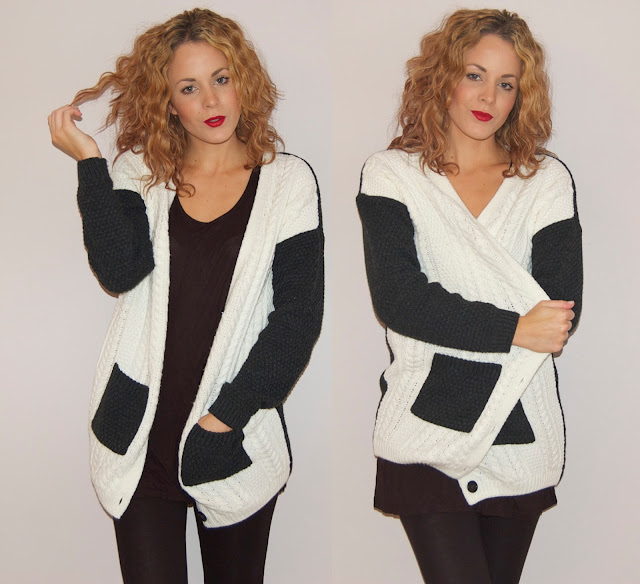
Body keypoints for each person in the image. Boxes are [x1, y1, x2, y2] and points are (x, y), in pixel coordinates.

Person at [48, 8, 323, 584]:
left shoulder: (288, 182)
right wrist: (91, 164)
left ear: (244, 81)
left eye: (221, 78)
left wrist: (225, 420)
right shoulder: (140, 171)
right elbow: (119, 271)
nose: (211, 100)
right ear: (168, 102)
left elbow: (297, 319)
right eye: (189, 88)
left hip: (232, 432)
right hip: (141, 436)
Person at [357, 9, 582, 584]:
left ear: (521, 96)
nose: (488, 96)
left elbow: (558, 314)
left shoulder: (545, 181)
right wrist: (513, 327)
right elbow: (400, 301)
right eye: (474, 75)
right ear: (443, 77)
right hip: (425, 430)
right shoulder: (391, 175)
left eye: (506, 83)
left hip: (519, 430)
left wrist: (474, 319)